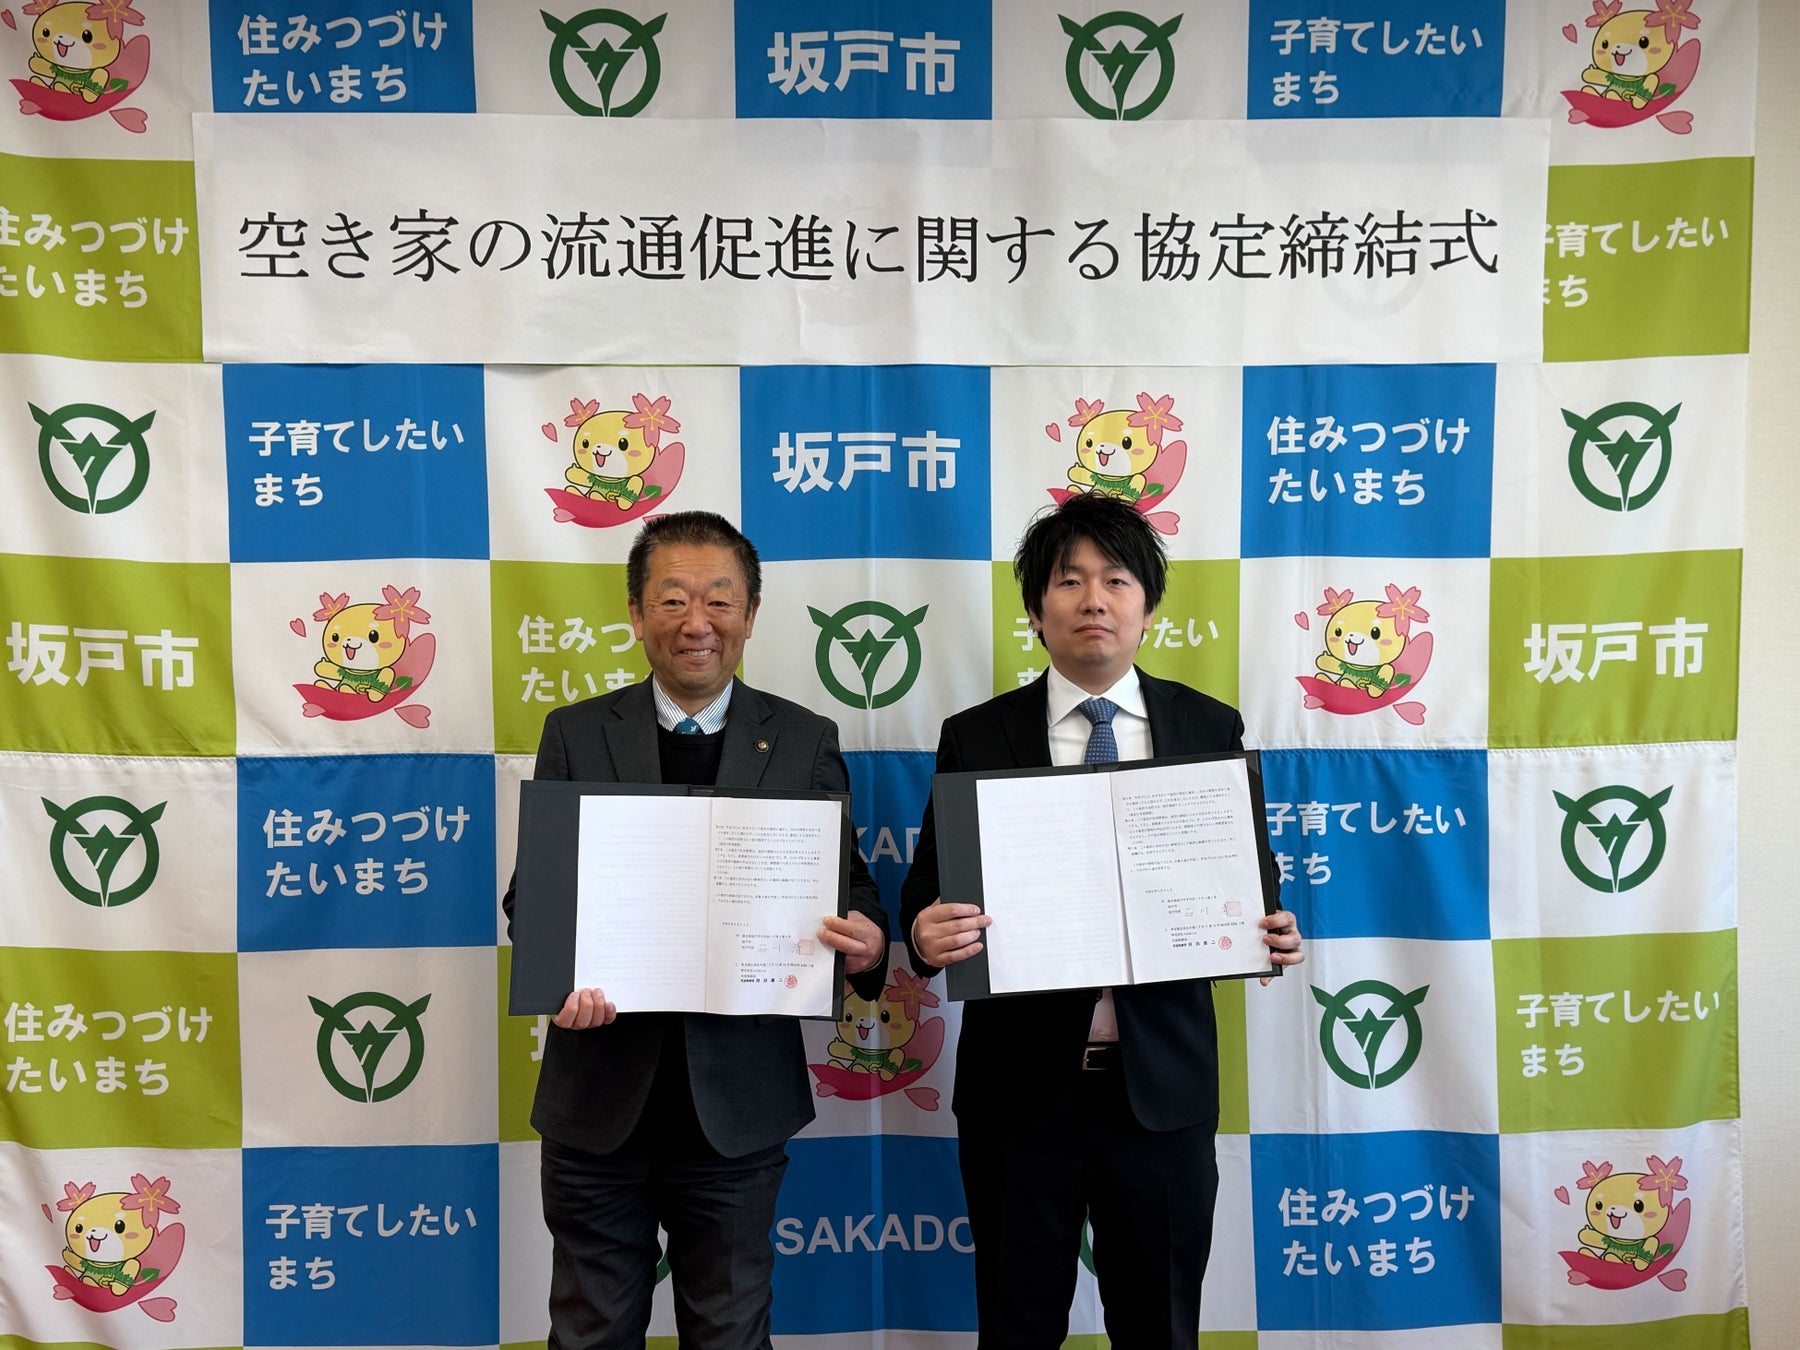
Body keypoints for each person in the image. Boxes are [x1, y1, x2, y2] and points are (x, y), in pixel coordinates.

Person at [900, 493, 1304, 1348]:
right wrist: (924, 936)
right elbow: (927, 895)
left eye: (1116, 580)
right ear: (1036, 610)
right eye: (1069, 580)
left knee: (1160, 1329)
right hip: (1019, 1098)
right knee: (1017, 1330)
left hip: (1162, 1094)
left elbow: (1251, 880)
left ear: (1147, 606)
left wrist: (1270, 929)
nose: (1094, 600)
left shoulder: (1208, 726)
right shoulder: (977, 736)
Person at [503, 510, 888, 1350]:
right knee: (589, 1330)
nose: (696, 622)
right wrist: (556, 973)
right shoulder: (576, 732)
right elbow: (533, 898)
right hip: (598, 1097)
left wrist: (867, 939)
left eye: (719, 599)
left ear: (751, 613)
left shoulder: (803, 739)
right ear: (636, 612)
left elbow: (849, 887)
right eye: (672, 599)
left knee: (730, 1331)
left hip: (739, 1105)